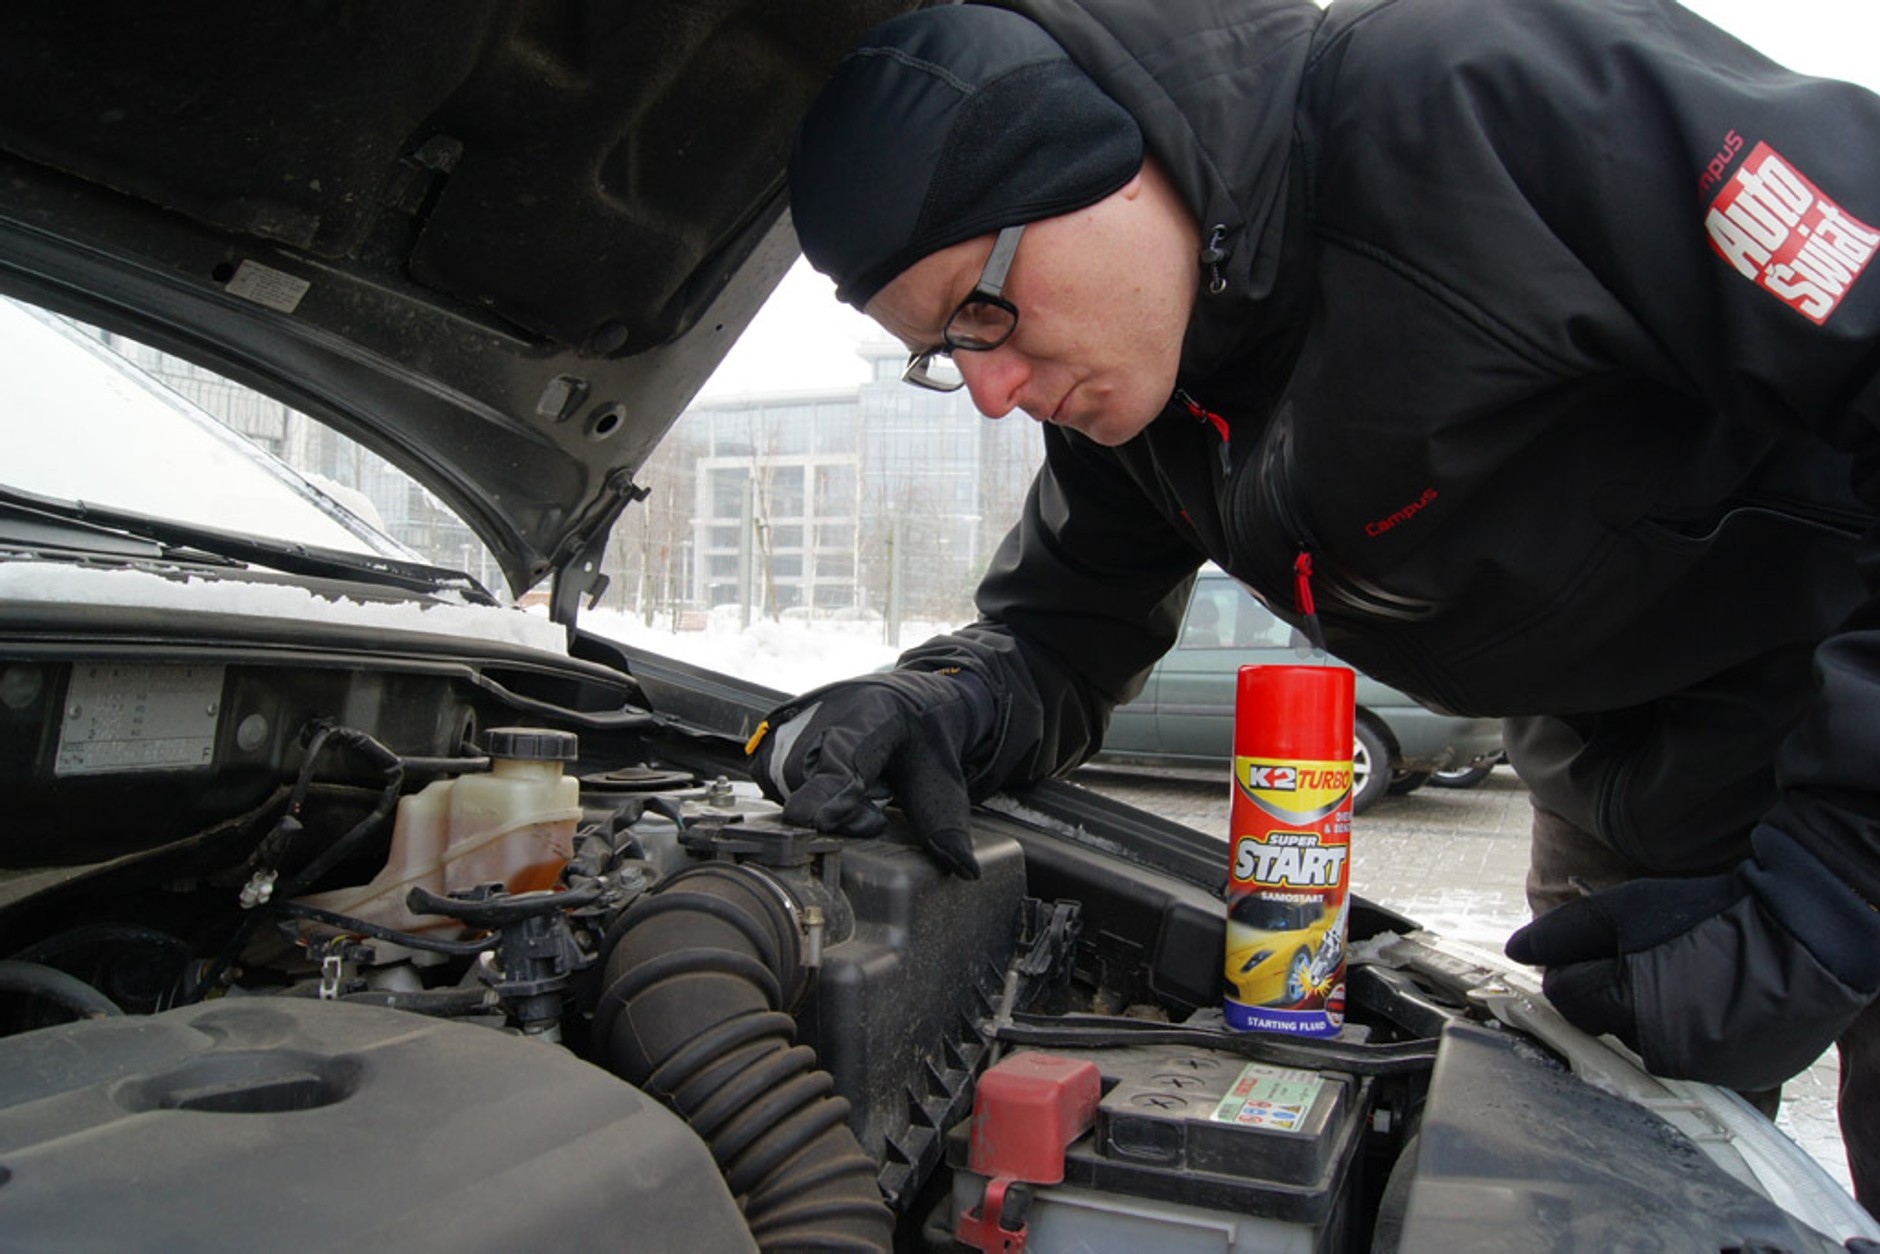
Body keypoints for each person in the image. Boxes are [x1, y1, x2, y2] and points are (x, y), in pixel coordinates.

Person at [746, 0, 1880, 1209]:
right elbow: (1053, 638)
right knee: (1637, 1198)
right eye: (940, 352)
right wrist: (942, 703)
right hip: (1617, 781)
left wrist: (1827, 898)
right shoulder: (1145, 391)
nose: (989, 390)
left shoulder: (1481, 104)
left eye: (980, 310)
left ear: (1104, 165)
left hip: (1842, 720)